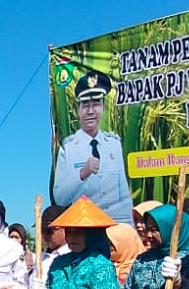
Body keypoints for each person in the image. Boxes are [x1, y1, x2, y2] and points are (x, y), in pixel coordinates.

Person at [52, 70, 134, 226]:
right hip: (87, 227)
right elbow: (60, 198)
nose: (90, 111)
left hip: (116, 227)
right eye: (85, 105)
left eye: (96, 104)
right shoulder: (68, 149)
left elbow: (124, 195)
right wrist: (82, 173)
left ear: (103, 108)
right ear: (78, 111)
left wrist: (129, 229)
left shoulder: (115, 144)